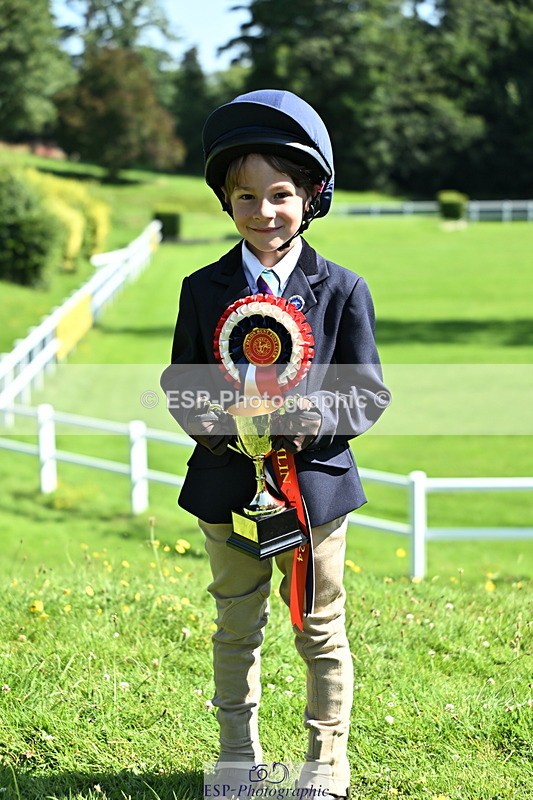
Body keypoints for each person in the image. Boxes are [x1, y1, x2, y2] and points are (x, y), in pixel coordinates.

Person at [160, 89, 390, 799]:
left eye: (280, 194)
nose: (263, 212)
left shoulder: (343, 289)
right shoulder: (202, 289)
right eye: (245, 198)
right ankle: (237, 760)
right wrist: (230, 425)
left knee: (319, 630)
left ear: (312, 195)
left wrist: (300, 420)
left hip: (313, 494)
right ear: (226, 204)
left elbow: (366, 393)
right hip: (228, 491)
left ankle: (322, 766)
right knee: (235, 626)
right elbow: (179, 382)